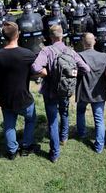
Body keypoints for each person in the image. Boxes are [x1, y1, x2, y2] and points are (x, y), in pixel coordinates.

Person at [32, 25, 90, 162]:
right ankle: (64, 137)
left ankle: (55, 154)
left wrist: (45, 72)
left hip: (50, 92)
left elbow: (35, 67)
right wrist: (73, 74)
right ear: (62, 36)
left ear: (50, 37)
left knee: (52, 122)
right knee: (64, 113)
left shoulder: (46, 50)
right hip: (65, 90)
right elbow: (86, 69)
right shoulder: (71, 51)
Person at [0, 22, 40, 160]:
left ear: (3, 36)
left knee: (9, 125)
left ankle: (12, 151)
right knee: (30, 120)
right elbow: (39, 70)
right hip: (24, 98)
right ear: (18, 35)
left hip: (6, 99)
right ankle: (26, 146)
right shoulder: (27, 54)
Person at [76, 33, 106, 153]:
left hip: (83, 91)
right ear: (94, 42)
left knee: (80, 112)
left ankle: (81, 134)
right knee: (99, 118)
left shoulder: (78, 56)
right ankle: (99, 146)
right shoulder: (105, 56)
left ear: (82, 42)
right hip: (99, 92)